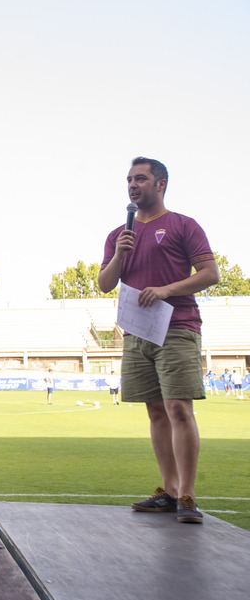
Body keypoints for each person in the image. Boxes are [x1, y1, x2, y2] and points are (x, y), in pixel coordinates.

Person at [98, 156, 218, 524]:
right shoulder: (119, 233)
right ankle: (167, 490)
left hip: (177, 325)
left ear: (160, 184)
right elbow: (104, 284)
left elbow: (210, 273)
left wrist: (167, 290)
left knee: (179, 408)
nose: (133, 185)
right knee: (154, 411)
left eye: (141, 179)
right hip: (137, 331)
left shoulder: (183, 225)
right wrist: (120, 252)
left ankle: (187, 495)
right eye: (130, 180)